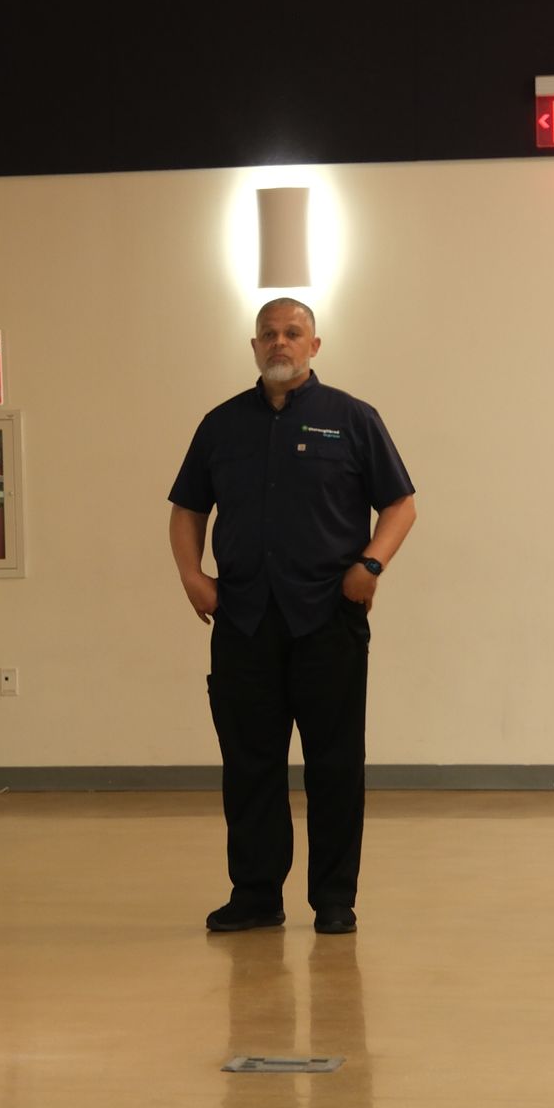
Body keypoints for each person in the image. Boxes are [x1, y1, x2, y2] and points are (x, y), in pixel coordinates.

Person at [168, 298, 417, 935]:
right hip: (244, 620)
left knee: (335, 764)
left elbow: (400, 505)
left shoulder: (353, 419)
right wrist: (193, 576)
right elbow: (188, 509)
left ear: (314, 345)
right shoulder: (221, 425)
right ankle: (256, 894)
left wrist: (371, 565)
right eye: (269, 334)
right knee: (249, 763)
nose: (280, 342)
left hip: (328, 619)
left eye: (293, 333)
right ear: (255, 347)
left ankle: (333, 899)